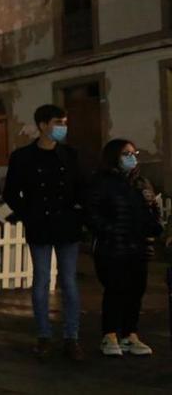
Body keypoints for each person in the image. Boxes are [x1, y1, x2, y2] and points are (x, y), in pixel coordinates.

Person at [2, 104, 86, 361]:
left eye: (64, 122)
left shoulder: (70, 154)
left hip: (67, 225)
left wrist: (78, 210)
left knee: (69, 282)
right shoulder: (23, 157)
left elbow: (82, 186)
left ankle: (72, 337)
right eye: (58, 122)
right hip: (40, 224)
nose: (62, 127)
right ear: (42, 125)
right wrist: (29, 212)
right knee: (41, 280)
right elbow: (11, 193)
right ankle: (44, 335)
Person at [85, 139, 162, 357]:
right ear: (114, 157)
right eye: (125, 154)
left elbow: (153, 215)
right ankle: (109, 335)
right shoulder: (101, 181)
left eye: (133, 153)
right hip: (111, 247)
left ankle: (130, 334)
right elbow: (92, 213)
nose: (131, 157)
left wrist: (152, 217)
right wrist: (111, 229)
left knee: (136, 291)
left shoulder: (141, 182)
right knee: (115, 290)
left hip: (138, 247)